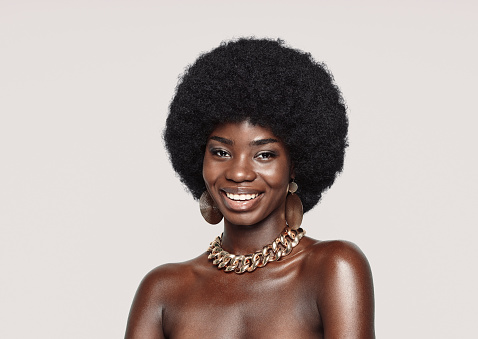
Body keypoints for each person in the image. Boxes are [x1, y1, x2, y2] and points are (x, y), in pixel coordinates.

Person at [125, 38, 375, 338]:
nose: (239, 172)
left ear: (294, 165)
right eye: (220, 152)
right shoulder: (163, 291)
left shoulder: (333, 268)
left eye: (264, 154)